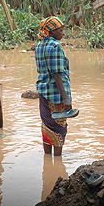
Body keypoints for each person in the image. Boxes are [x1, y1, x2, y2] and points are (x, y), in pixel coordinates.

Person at [35, 16, 72, 156]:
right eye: (61, 30)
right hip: (56, 94)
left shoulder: (39, 45)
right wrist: (66, 98)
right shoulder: (55, 46)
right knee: (59, 126)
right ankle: (57, 162)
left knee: (47, 124)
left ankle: (47, 160)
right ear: (51, 31)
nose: (63, 33)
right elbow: (57, 74)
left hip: (43, 91)